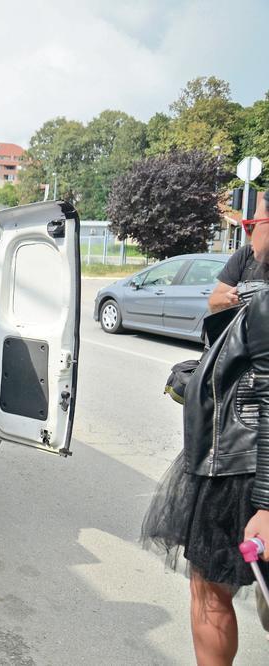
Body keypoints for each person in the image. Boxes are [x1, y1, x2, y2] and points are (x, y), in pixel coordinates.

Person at [141, 209, 269, 665]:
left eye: (255, 224)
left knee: (210, 588)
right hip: (238, 453)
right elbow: (215, 301)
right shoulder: (246, 263)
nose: (247, 231)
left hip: (240, 465)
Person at [209, 191, 269, 313]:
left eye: (255, 225)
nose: (251, 236)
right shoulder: (246, 254)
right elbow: (213, 303)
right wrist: (227, 300)